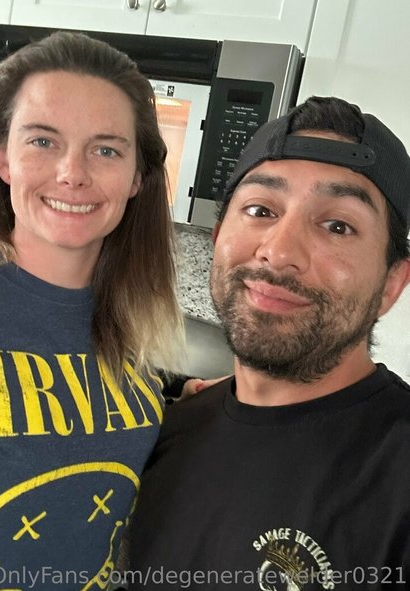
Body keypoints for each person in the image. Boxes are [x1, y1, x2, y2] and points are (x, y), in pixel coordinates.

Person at [128, 96, 410, 590]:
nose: (278, 252)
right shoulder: (160, 431)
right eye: (260, 209)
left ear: (391, 284)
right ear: (218, 237)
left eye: (338, 225)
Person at [0, 31, 184, 590]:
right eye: (43, 141)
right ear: (2, 157)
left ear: (137, 178)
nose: (72, 173)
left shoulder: (136, 320)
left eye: (106, 150)